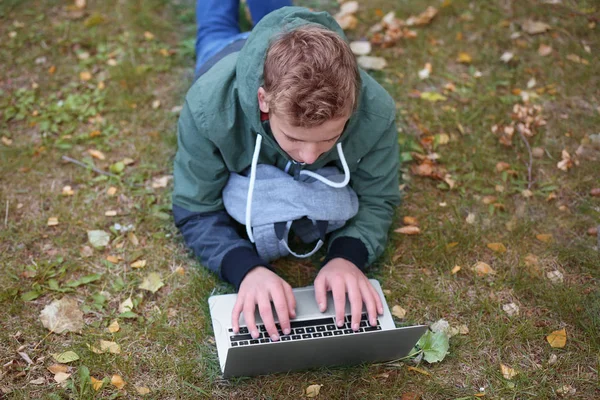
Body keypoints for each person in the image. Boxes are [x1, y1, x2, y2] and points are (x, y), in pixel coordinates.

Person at [173, 0, 401, 344]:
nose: (309, 156)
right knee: (216, 30)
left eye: (328, 139)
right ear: (264, 101)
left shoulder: (376, 111)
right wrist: (245, 269)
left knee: (275, 15)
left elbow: (379, 199)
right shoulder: (208, 106)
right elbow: (194, 208)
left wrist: (347, 258)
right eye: (294, 138)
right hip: (223, 56)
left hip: (281, 57)